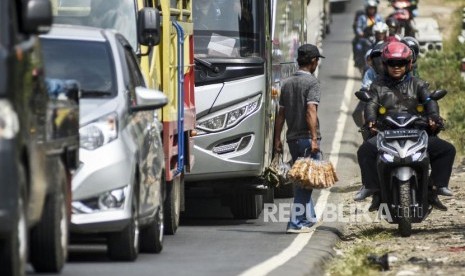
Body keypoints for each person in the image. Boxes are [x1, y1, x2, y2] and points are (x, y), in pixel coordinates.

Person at [356, 41, 456, 211]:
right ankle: (373, 189)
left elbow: (429, 101)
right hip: (386, 133)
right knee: (364, 150)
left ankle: (435, 187)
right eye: (392, 63)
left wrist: (433, 117)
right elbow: (371, 104)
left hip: (416, 132)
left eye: (401, 63)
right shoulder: (377, 86)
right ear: (385, 64)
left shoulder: (418, 84)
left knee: (447, 150)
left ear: (409, 64)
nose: (396, 67)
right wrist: (371, 120)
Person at [274, 44, 324, 233]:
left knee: (302, 180)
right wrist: (313, 138)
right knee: (307, 182)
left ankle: (309, 218)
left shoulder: (286, 83)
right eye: (317, 61)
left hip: (292, 139)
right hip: (306, 139)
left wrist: (277, 139)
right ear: (313, 62)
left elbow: (281, 114)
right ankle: (295, 223)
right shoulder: (312, 83)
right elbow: (311, 110)